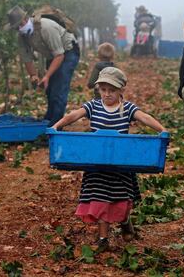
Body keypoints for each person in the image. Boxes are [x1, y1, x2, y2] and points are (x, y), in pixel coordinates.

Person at [52, 67, 166, 251]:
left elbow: (144, 117)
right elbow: (74, 114)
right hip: (97, 165)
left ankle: (125, 221)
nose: (107, 94)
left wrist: (162, 130)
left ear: (121, 90)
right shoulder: (93, 106)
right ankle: (103, 239)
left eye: (112, 90)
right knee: (100, 200)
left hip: (120, 165)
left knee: (121, 199)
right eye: (103, 90)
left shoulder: (127, 109)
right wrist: (57, 126)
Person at [4, 5, 80, 126]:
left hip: (68, 52)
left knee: (59, 88)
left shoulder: (46, 27)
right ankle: (49, 119)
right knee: (50, 90)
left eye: (19, 25)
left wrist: (47, 76)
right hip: (53, 56)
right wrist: (33, 75)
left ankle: (56, 126)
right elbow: (27, 58)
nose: (18, 29)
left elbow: (60, 55)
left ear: (25, 20)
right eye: (16, 28)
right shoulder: (22, 36)